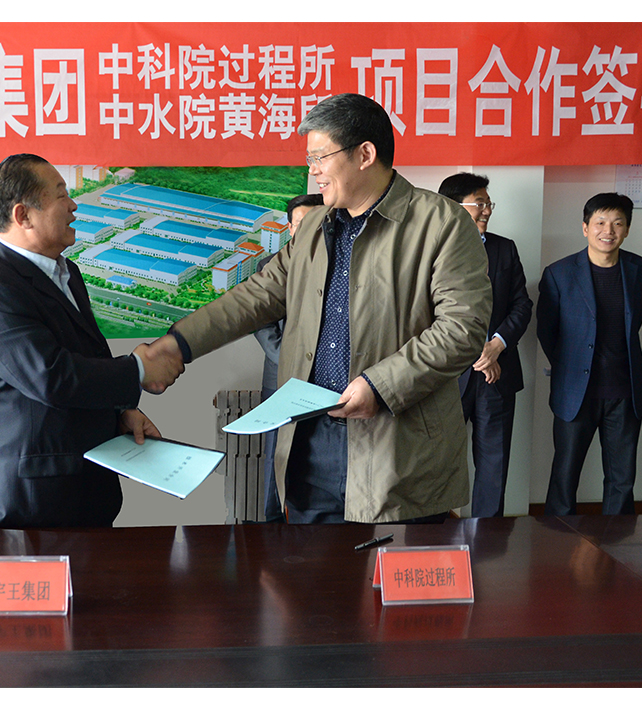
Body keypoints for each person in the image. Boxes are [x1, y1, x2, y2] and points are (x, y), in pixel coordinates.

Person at [161, 93, 492, 524]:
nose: (312, 170)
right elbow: (257, 296)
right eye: (309, 159)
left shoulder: (441, 223)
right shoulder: (315, 226)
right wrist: (178, 344)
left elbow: (463, 329)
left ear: (365, 155)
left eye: (320, 157)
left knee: (389, 565)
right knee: (309, 566)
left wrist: (380, 385)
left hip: (398, 447)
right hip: (309, 441)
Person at [0, 153, 182, 529]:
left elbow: (88, 354)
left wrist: (120, 410)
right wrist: (139, 369)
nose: (73, 205)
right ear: (23, 216)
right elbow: (51, 376)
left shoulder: (67, 272)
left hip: (82, 487)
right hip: (31, 503)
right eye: (61, 194)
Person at [537, 193, 642, 516]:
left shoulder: (638, 270)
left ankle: (617, 542)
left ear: (627, 229)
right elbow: (547, 332)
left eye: (617, 223)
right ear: (585, 228)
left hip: (625, 393)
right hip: (575, 394)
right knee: (565, 477)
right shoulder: (559, 273)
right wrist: (570, 367)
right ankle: (557, 539)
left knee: (622, 480)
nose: (608, 231)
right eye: (600, 222)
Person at [438, 173, 533, 517]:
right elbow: (421, 312)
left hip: (497, 373)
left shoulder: (504, 248)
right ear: (453, 206)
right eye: (480, 203)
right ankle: (437, 533)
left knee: (494, 462)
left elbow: (522, 305)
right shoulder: (430, 248)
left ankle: (486, 538)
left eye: (488, 203)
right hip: (446, 376)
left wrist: (496, 345)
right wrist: (475, 349)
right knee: (438, 462)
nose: (487, 210)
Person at [254, 193, 324, 522]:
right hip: (281, 377)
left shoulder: (344, 263)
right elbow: (262, 324)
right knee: (276, 457)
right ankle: (271, 527)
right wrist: (291, 360)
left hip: (329, 382)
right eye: (301, 224)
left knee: (319, 458)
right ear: (290, 228)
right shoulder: (269, 266)